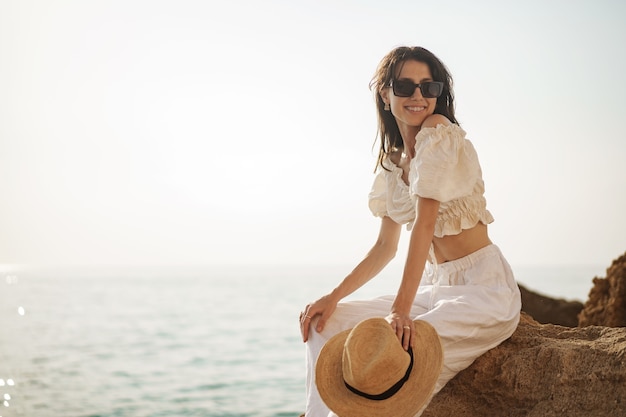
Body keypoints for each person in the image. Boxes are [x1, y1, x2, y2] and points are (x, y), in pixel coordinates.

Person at [299, 46, 522, 417]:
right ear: (385, 94)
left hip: (484, 290)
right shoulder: (392, 162)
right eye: (405, 86)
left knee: (402, 347)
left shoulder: (439, 134)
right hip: (436, 288)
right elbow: (385, 247)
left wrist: (400, 311)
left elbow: (425, 222)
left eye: (428, 87)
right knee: (325, 325)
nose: (418, 96)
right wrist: (333, 296)